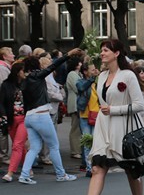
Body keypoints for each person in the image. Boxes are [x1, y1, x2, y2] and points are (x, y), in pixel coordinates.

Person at [65, 40, 144, 195]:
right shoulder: (101, 76)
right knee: (97, 168)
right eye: (101, 50)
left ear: (116, 53)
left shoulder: (128, 75)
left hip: (124, 129)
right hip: (104, 128)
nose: (102, 54)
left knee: (131, 170)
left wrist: (115, 110)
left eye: (105, 50)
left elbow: (139, 105)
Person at [17, 49, 84, 184]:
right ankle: (61, 174)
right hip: (41, 115)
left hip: (29, 117)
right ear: (37, 66)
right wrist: (67, 55)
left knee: (35, 147)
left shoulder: (24, 82)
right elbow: (53, 66)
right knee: (53, 145)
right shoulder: (37, 76)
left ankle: (24, 174)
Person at [0, 62, 28, 183]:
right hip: (11, 119)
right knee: (20, 146)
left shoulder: (27, 84)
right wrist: (3, 115)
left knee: (17, 145)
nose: (25, 73)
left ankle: (10, 173)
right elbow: (1, 101)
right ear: (18, 72)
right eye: (23, 71)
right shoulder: (6, 85)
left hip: (25, 119)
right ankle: (28, 168)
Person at [64, 56, 83, 160]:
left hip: (78, 103)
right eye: (80, 62)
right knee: (75, 128)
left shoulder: (77, 74)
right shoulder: (72, 74)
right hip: (75, 103)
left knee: (78, 128)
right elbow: (77, 88)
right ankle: (75, 150)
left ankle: (78, 149)